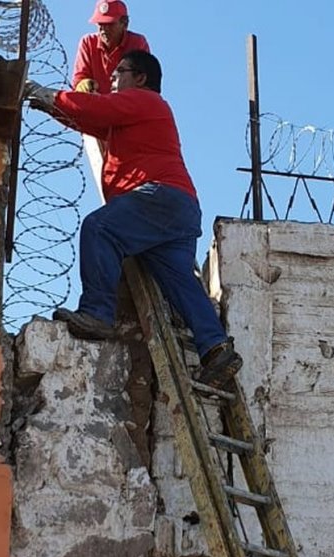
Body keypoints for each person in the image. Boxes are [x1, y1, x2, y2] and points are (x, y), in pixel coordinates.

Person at [24, 50, 243, 389]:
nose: (113, 79)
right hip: (177, 208)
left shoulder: (144, 100)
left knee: (100, 228)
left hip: (159, 197)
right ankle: (215, 348)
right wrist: (52, 105)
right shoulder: (135, 113)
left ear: (140, 78)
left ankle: (97, 312)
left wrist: (50, 95)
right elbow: (91, 119)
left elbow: (96, 109)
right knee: (179, 282)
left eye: (120, 72)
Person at [72, 0, 150, 94]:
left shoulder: (137, 43)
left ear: (125, 23)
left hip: (126, 105)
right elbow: (79, 79)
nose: (104, 29)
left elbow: (145, 84)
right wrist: (83, 84)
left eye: (109, 24)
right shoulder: (88, 43)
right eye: (100, 24)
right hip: (95, 104)